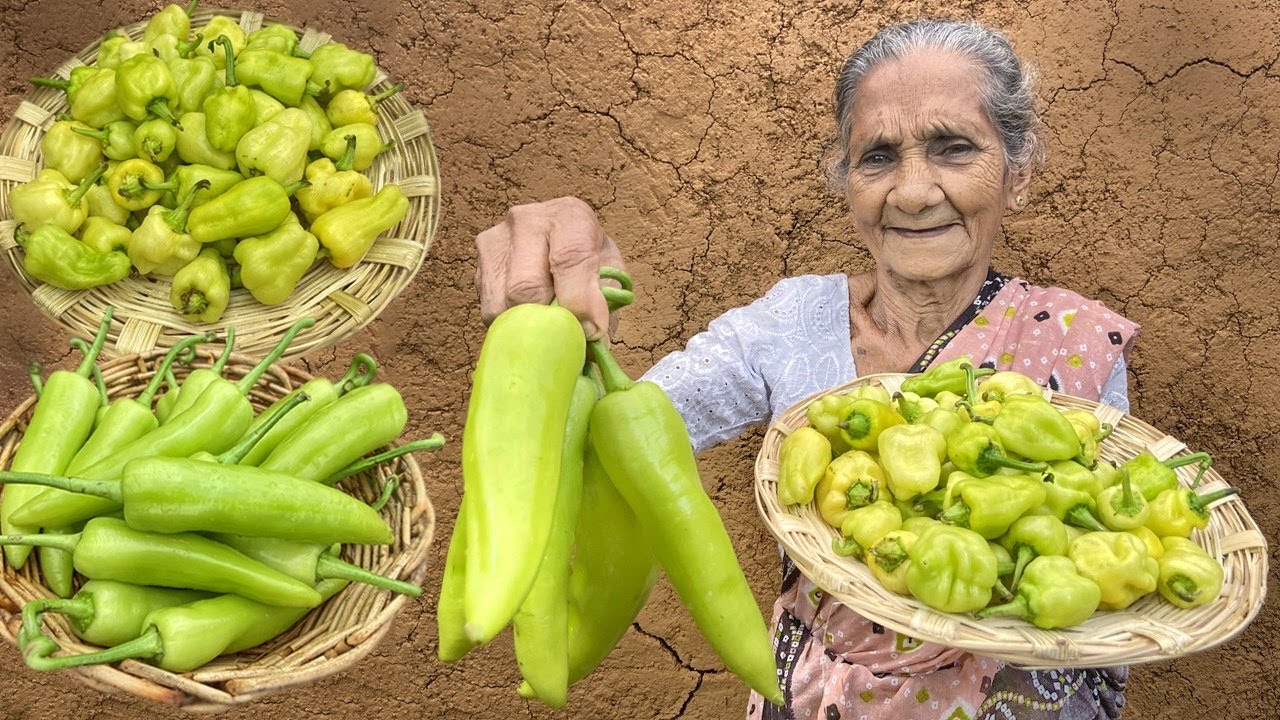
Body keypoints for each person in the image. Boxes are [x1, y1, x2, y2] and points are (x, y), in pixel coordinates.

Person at [474, 18, 1136, 720]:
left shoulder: (1073, 340)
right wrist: (557, 322)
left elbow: (1110, 557)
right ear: (846, 182)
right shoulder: (794, 322)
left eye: (954, 148)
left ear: (1017, 171)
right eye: (878, 157)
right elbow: (626, 426)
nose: (913, 191)